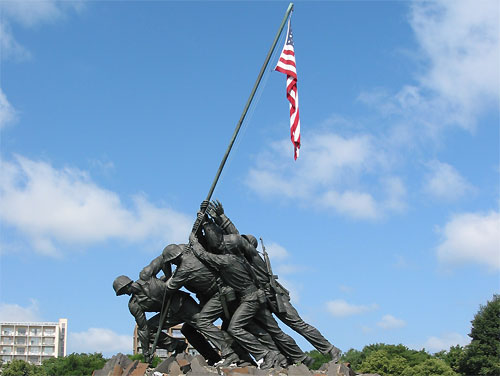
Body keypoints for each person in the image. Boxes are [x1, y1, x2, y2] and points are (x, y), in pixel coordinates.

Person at [207, 200, 342, 363]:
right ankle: (296, 358)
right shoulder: (239, 260)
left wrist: (222, 217)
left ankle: (331, 349)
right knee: (274, 332)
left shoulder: (253, 257)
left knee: (298, 325)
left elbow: (236, 236)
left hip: (273, 295)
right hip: (261, 298)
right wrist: (216, 219)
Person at [191, 213, 312, 369]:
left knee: (235, 328)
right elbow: (223, 238)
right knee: (272, 331)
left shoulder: (225, 260)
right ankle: (296, 357)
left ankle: (267, 355)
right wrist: (205, 222)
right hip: (254, 297)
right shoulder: (236, 257)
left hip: (250, 299)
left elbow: (203, 254)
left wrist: (193, 238)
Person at [112, 274, 220, 365]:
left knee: (202, 324)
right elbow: (143, 328)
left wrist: (167, 279)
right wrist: (146, 352)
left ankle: (229, 351)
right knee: (149, 330)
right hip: (169, 314)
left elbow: (168, 274)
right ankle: (177, 346)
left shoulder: (148, 279)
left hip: (182, 304)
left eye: (123, 291)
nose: (124, 293)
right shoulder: (134, 305)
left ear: (127, 285)